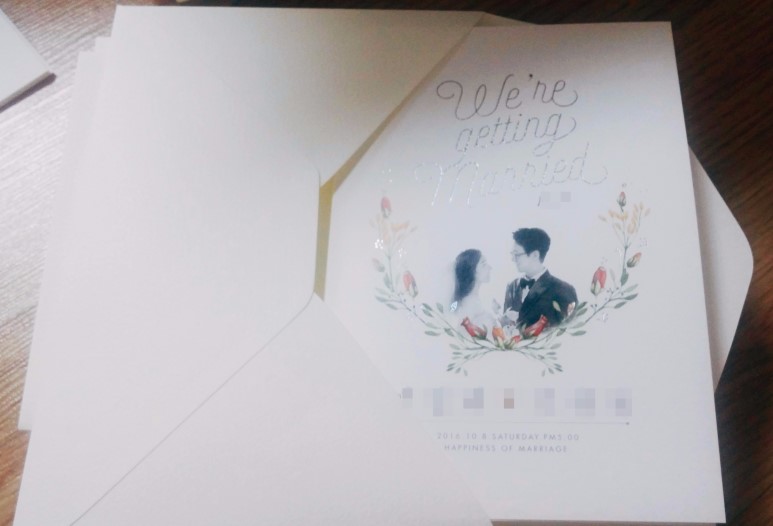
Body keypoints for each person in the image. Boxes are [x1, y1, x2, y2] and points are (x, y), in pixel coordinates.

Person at [503, 228, 577, 328]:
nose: (513, 259)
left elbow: (567, 329)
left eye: (517, 254)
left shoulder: (563, 290)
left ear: (535, 255)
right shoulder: (512, 286)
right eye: (512, 254)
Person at [451, 249, 496, 331]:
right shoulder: (468, 304)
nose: (490, 268)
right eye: (484, 264)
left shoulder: (474, 299)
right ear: (472, 270)